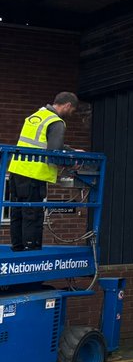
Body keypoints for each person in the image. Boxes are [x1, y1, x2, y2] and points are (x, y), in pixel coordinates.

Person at [7, 92, 79, 252]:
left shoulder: (36, 116)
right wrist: (71, 162)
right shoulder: (57, 122)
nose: (71, 114)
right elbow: (53, 153)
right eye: (72, 110)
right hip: (34, 174)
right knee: (33, 214)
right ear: (67, 105)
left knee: (17, 211)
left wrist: (70, 150)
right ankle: (32, 252)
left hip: (17, 171)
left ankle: (18, 248)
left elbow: (42, 144)